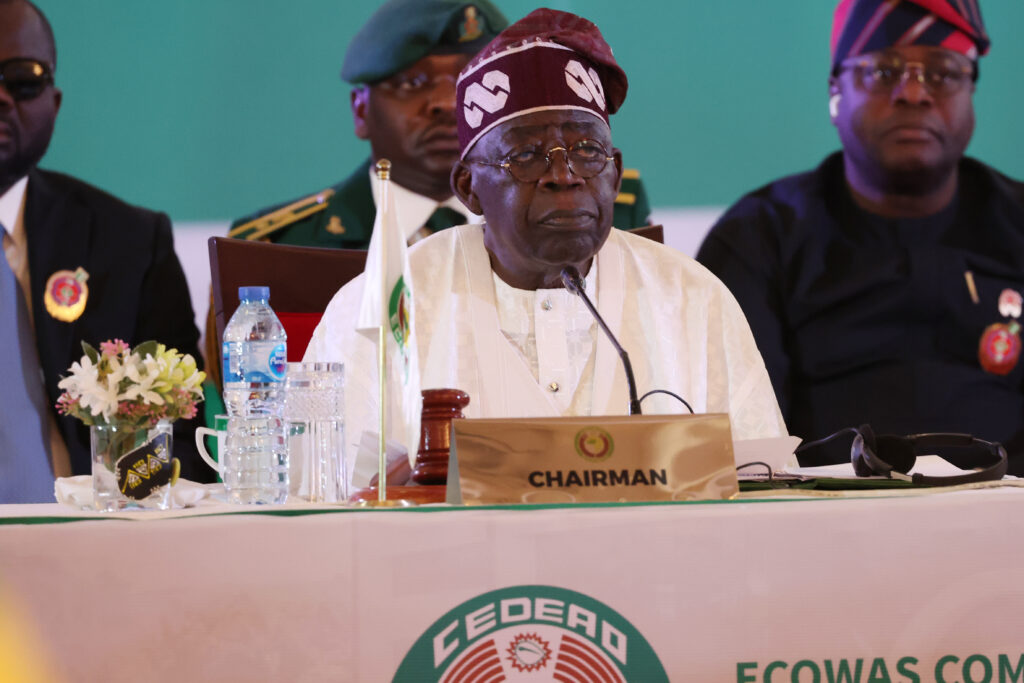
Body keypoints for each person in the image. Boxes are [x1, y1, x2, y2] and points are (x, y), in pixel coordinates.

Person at [305, 8, 786, 481]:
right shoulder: (387, 302)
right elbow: (320, 491)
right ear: (469, 188)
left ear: (615, 174)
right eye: (526, 155)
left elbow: (766, 480)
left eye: (587, 151)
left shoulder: (690, 297)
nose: (564, 175)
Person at [697, 0, 1024, 472]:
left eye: (942, 73)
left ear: (971, 91)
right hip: (819, 509)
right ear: (835, 91)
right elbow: (745, 443)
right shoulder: (758, 238)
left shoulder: (1015, 221)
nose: (914, 93)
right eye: (883, 72)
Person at [0, 0, 209, 502]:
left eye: (22, 79)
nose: (1, 97)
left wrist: (123, 506)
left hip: (89, 536)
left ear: (55, 102)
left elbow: (183, 432)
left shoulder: (130, 241)